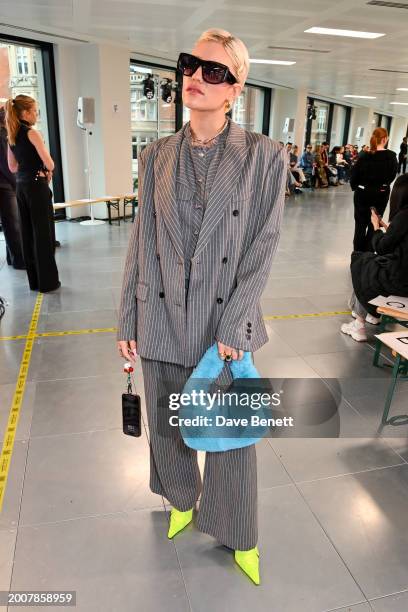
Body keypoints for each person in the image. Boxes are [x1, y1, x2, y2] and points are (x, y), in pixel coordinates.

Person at [117, 28, 286, 585]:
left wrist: (236, 321)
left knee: (231, 437)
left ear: (235, 88)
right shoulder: (158, 154)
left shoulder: (266, 156)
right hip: (160, 315)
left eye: (214, 71)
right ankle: (181, 499)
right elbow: (141, 239)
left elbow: (262, 245)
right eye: (192, 64)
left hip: (224, 324)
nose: (197, 76)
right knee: (168, 425)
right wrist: (127, 317)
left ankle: (237, 531)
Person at [341, 174, 408, 341]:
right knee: (369, 264)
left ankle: (359, 324)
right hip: (404, 274)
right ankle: (371, 313)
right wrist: (389, 229)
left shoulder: (404, 216)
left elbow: (382, 247)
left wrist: (377, 228)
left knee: (360, 262)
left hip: (400, 280)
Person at [5, 95, 60, 293]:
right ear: (26, 112)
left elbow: (12, 167)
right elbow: (51, 163)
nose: (36, 114)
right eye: (35, 110)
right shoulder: (32, 133)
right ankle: (48, 283)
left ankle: (35, 282)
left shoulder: (11, 134)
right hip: (37, 186)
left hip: (21, 188)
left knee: (27, 234)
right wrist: (45, 169)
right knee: (43, 234)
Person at [350, 127, 398, 252]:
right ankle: (368, 257)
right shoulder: (391, 157)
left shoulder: (365, 155)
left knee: (360, 226)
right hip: (380, 195)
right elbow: (392, 175)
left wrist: (357, 187)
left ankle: (357, 256)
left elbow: (354, 174)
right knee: (374, 226)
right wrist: (383, 185)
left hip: (362, 194)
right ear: (385, 139)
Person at [0, 107, 25, 269]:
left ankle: (12, 257)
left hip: (4, 183)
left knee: (10, 223)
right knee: (12, 224)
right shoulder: (2, 135)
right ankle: (19, 260)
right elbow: (6, 165)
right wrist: (17, 183)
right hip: (4, 185)